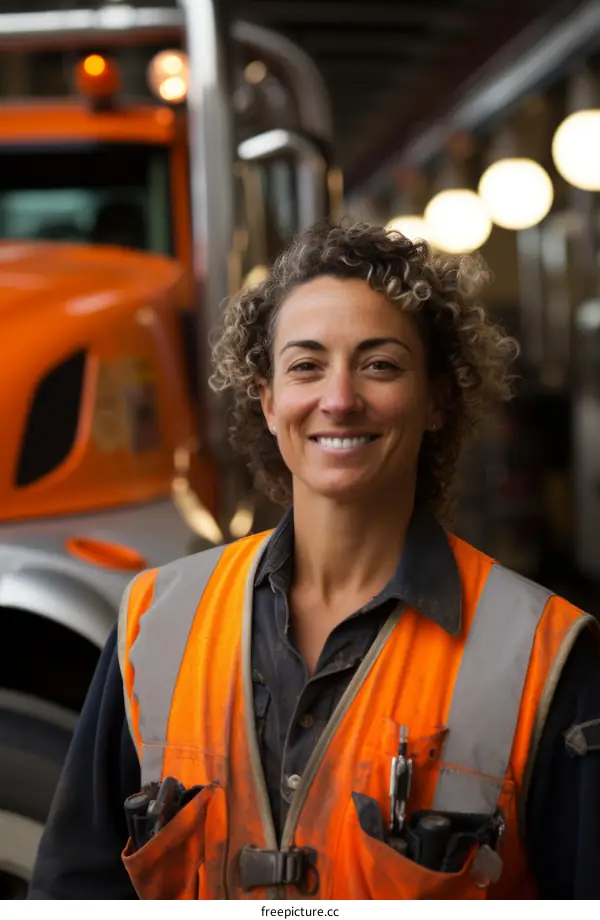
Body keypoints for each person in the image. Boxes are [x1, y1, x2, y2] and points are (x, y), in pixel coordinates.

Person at [29, 221, 600, 899]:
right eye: (305, 366)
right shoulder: (156, 621)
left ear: (438, 399)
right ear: (267, 401)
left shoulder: (545, 651)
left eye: (380, 364)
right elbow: (74, 894)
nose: (338, 398)